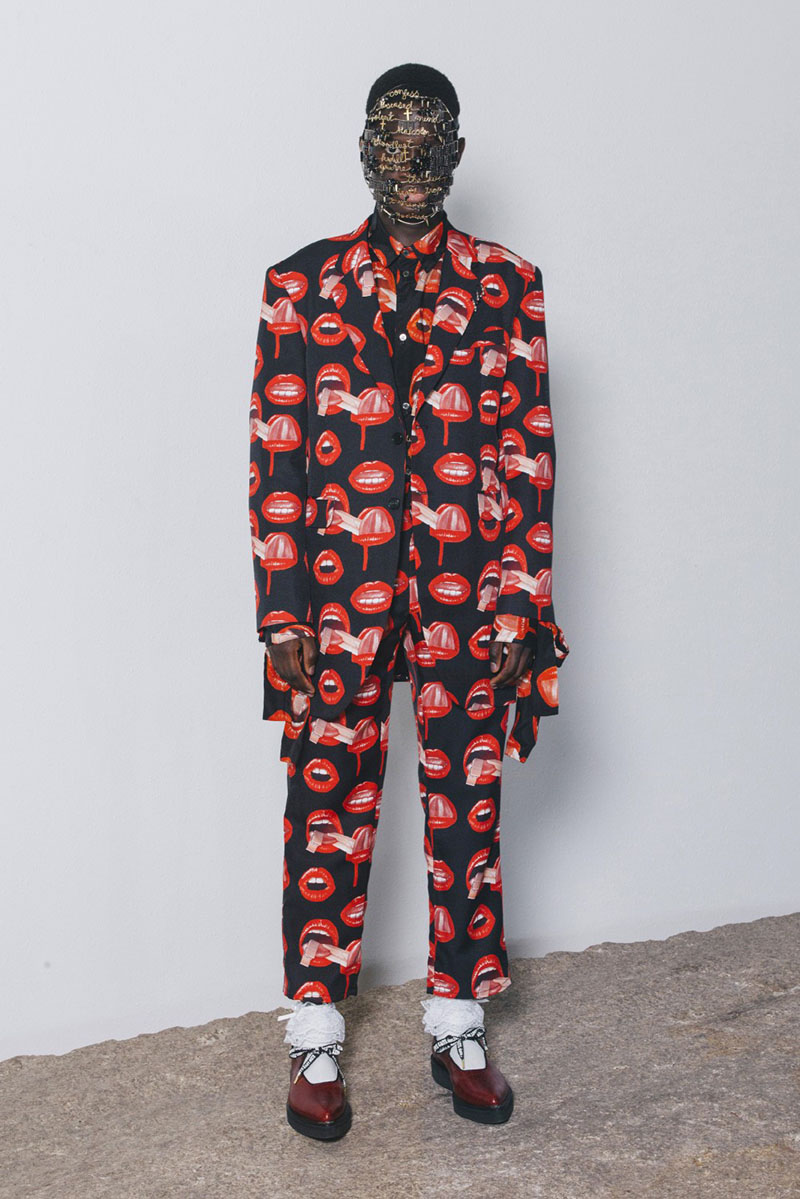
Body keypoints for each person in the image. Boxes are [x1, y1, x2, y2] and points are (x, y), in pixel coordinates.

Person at [248, 62, 569, 1140]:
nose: (411, 156)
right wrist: (282, 610)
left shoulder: (508, 284)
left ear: (457, 153)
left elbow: (528, 452)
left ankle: (459, 1023)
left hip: (469, 593)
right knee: (324, 806)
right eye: (391, 135)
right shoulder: (299, 284)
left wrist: (523, 600)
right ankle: (313, 1035)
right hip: (338, 594)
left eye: (431, 137)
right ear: (361, 149)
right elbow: (277, 453)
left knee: (464, 807)